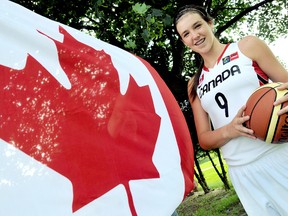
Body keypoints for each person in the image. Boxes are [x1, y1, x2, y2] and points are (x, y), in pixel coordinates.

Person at [174, 4, 288, 216]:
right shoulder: (195, 84)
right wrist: (230, 130)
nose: (194, 36)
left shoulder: (247, 47)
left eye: (197, 26)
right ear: (184, 41)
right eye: (186, 34)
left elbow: (286, 82)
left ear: (210, 23)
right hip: (242, 171)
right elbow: (205, 139)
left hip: (278, 153)